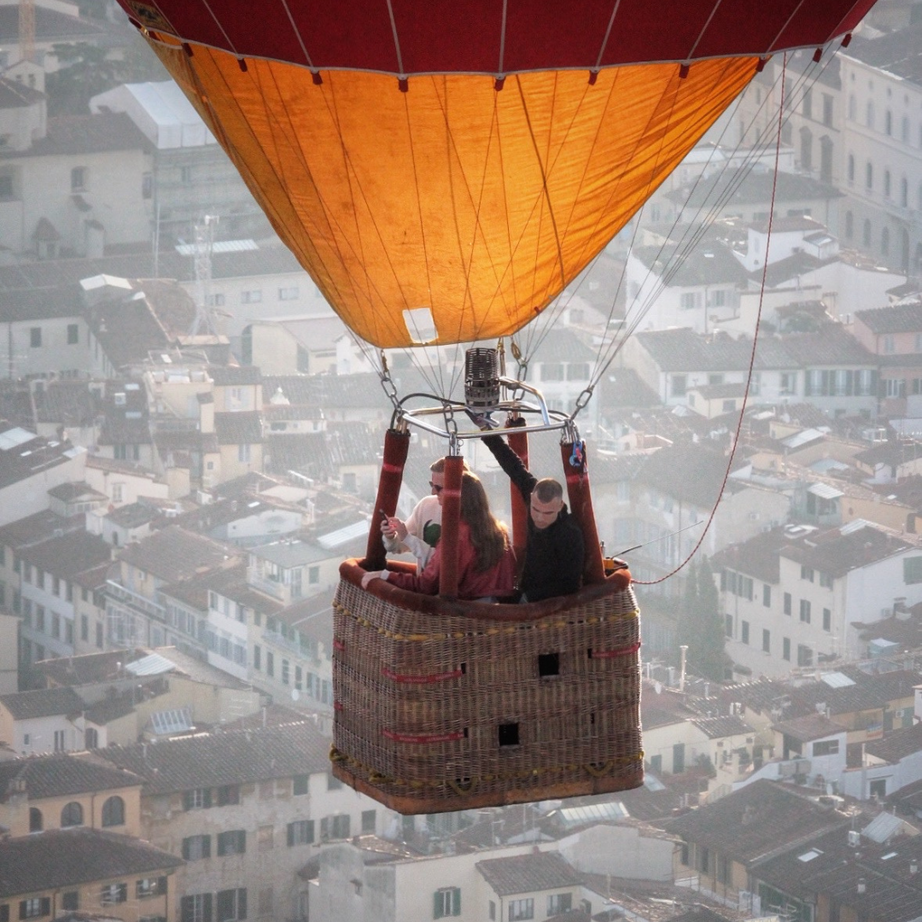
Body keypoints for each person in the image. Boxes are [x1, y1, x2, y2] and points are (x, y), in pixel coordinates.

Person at [362, 470, 516, 600]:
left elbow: (426, 585)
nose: (435, 493)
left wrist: (384, 576)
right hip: (499, 615)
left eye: (440, 488)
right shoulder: (499, 532)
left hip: (469, 618)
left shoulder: (455, 538)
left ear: (456, 497)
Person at [481, 432, 584, 602]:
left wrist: (530, 598)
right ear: (532, 498)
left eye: (548, 513)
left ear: (559, 506)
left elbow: (570, 584)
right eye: (536, 510)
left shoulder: (570, 534)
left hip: (547, 602)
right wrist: (486, 432)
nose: (540, 518)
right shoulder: (531, 492)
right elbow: (513, 465)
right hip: (525, 588)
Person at [380, 457, 464, 569]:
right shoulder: (425, 505)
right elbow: (399, 546)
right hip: (423, 585)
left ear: (457, 488)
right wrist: (391, 536)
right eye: (431, 485)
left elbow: (445, 565)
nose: (433, 492)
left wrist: (407, 537)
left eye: (438, 487)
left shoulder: (470, 518)